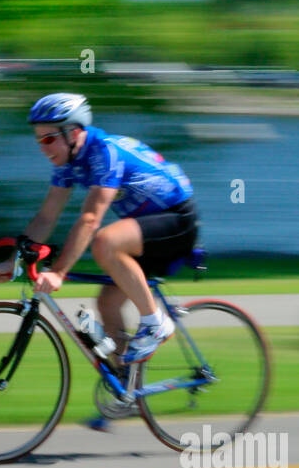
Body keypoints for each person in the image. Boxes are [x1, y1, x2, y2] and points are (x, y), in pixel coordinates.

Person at [10, 93, 198, 428]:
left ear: (74, 132)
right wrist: (11, 259)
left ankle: (156, 323)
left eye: (50, 137)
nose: (43, 146)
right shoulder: (68, 164)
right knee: (107, 304)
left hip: (177, 221)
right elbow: (46, 216)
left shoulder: (104, 151)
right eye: (38, 139)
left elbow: (90, 218)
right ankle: (128, 392)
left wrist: (59, 272)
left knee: (105, 242)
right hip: (146, 232)